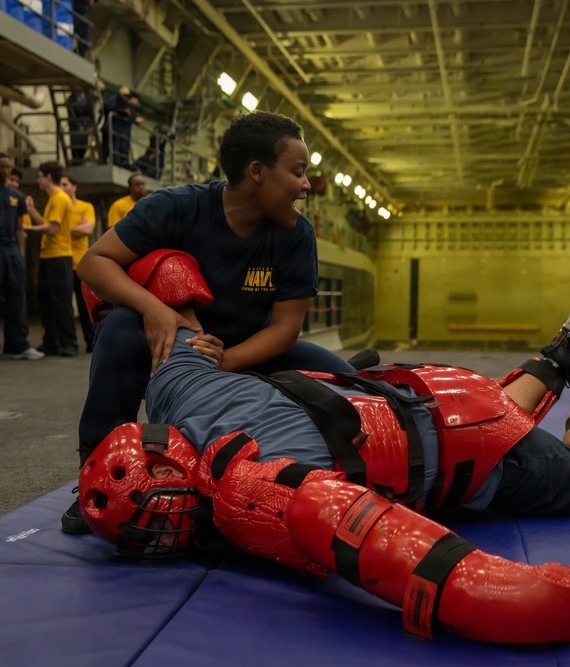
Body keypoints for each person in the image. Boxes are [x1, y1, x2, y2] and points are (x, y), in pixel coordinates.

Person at [78, 254, 570, 645]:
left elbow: (384, 540)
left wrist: (508, 592)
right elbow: (172, 283)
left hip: (466, 453)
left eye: (153, 525)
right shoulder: (179, 386)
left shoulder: (247, 488)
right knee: (481, 425)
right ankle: (559, 356)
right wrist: (135, 296)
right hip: (424, 388)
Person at [66, 111, 356, 533]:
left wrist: (227, 360)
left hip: (247, 346)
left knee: (345, 379)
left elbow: (285, 328)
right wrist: (154, 309)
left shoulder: (296, 234)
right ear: (257, 172)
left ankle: (359, 469)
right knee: (119, 330)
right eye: (298, 172)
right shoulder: (177, 208)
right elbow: (94, 262)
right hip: (177, 342)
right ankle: (96, 471)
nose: (307, 185)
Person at [0, 153, 44, 363]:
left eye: (8, 167)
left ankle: (19, 345)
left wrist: (20, 255)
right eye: (1, 167)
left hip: (12, 253)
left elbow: (20, 229)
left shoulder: (16, 196)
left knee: (17, 300)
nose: (5, 171)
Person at [25, 161, 77, 356]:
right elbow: (47, 223)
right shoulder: (53, 198)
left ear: (48, 177)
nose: (38, 180)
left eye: (40, 176)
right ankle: (51, 342)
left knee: (60, 300)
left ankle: (69, 342)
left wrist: (26, 228)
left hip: (59, 255)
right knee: (46, 300)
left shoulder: (60, 198)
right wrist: (31, 210)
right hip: (48, 255)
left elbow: (52, 228)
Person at [60, 172, 96, 352]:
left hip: (81, 263)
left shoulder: (85, 206)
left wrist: (64, 229)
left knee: (85, 306)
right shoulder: (59, 205)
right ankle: (69, 343)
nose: (62, 188)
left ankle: (92, 342)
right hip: (63, 262)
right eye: (60, 184)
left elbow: (88, 229)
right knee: (65, 304)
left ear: (74, 187)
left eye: (65, 184)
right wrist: (77, 228)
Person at [100, 86, 142, 168]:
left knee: (120, 146)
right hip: (113, 128)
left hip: (119, 130)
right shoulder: (114, 100)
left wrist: (134, 119)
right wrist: (123, 111)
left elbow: (131, 115)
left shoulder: (126, 104)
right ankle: (113, 161)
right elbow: (108, 107)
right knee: (111, 146)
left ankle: (121, 161)